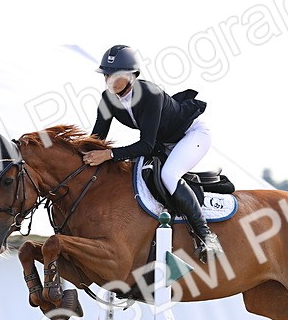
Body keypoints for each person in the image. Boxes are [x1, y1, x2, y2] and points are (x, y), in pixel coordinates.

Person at [81, 45, 222, 261]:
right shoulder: (108, 99)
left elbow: (145, 145)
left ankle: (206, 237)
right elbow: (97, 138)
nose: (108, 79)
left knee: (168, 175)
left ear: (130, 75)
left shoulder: (149, 94)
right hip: (162, 142)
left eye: (113, 74)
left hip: (191, 135)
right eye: (106, 74)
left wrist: (109, 155)